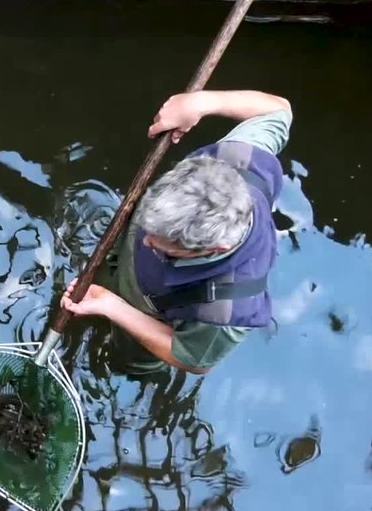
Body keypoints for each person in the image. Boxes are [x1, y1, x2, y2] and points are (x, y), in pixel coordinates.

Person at [61, 89, 292, 376]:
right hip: (128, 270)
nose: (146, 242)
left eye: (164, 248)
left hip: (150, 313)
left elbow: (193, 361)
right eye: (149, 227)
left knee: (129, 361)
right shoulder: (239, 158)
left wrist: (113, 308)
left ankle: (124, 367)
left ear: (215, 249)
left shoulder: (225, 309)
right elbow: (278, 110)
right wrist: (202, 102)